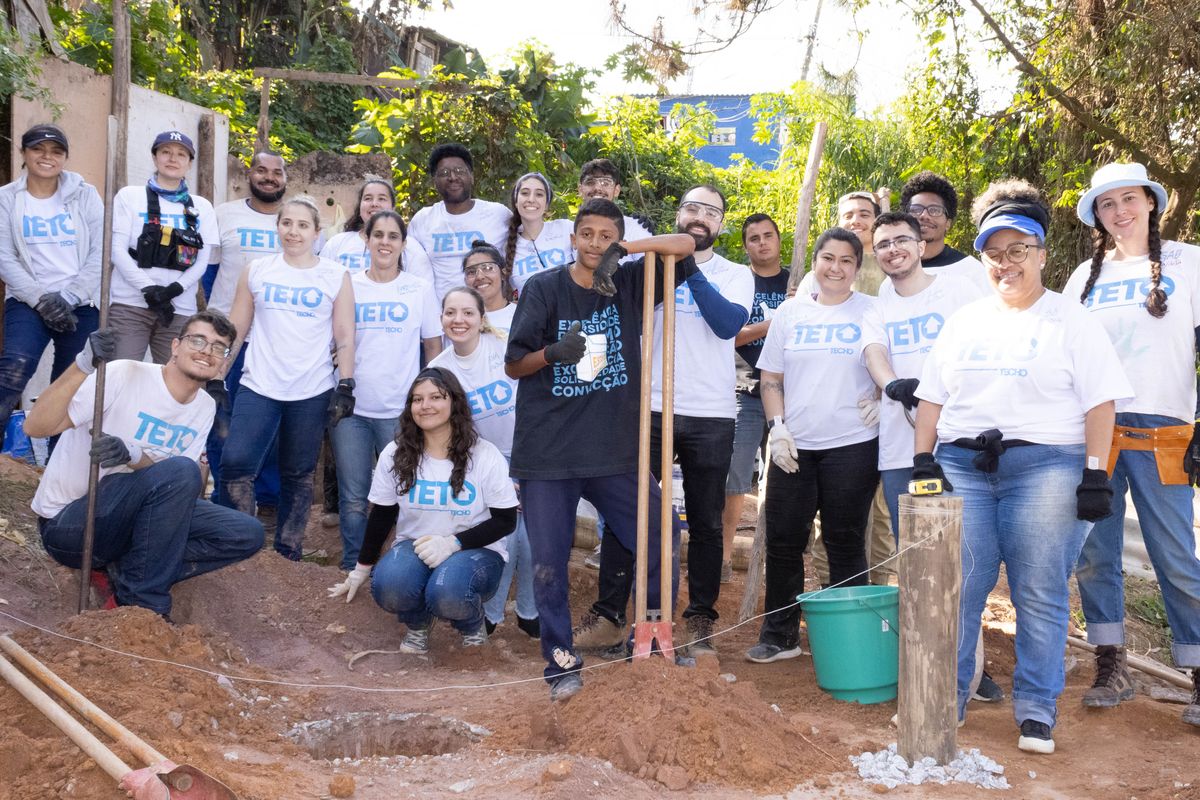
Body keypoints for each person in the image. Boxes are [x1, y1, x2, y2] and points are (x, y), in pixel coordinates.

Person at [912, 181, 1131, 754]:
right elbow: (932, 397)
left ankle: (1036, 711)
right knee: (958, 587)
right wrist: (920, 460)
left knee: (1038, 590)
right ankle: (944, 701)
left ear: (1040, 254)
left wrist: (1095, 474)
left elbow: (1100, 402)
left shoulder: (1071, 319)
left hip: (1047, 467)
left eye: (1018, 251)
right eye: (994, 253)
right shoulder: (965, 321)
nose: (1005, 263)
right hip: (963, 464)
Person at [505, 198, 697, 700]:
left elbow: (686, 245)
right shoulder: (544, 288)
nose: (595, 243)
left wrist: (627, 252)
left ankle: (655, 636)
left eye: (605, 235)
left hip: (615, 450)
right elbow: (514, 363)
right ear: (572, 238)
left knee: (660, 531)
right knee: (548, 560)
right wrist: (552, 353)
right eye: (586, 234)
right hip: (549, 452)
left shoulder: (630, 282)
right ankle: (561, 660)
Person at [578, 184, 753, 658]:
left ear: (721, 224)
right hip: (649, 406)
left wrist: (688, 264)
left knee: (706, 521)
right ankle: (612, 616)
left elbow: (727, 325)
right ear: (677, 214)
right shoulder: (646, 266)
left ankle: (698, 618)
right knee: (626, 509)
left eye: (710, 212)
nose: (699, 217)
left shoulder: (736, 274)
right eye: (691, 207)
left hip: (710, 412)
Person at [1065, 162, 1200, 726]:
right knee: (1095, 555)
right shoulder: (1081, 279)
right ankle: (1111, 661)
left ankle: (1196, 669)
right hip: (1096, 430)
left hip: (1165, 431)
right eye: (1106, 204)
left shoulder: (1189, 264)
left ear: (1150, 201)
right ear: (1097, 215)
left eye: (1128, 199)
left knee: (1176, 555)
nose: (1119, 211)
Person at [25, 313, 263, 617]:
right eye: (198, 340)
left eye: (219, 347)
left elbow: (176, 485)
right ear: (175, 346)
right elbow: (36, 426)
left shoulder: (204, 406)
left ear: (225, 361)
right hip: (72, 525)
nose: (207, 351)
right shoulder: (124, 374)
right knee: (181, 471)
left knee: (246, 533)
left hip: (131, 525)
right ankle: (141, 602)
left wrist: (132, 455)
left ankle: (132, 571)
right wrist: (83, 365)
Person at [860, 209, 998, 702]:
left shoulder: (958, 288)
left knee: (966, 557)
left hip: (960, 444)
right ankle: (927, 665)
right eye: (883, 244)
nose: (893, 249)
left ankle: (969, 668)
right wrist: (891, 384)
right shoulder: (879, 299)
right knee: (915, 554)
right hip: (901, 448)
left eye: (902, 240)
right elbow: (875, 350)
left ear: (921, 246)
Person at [745, 227, 880, 664]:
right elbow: (770, 379)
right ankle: (780, 634)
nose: (835, 268)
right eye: (828, 258)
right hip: (793, 447)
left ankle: (848, 638)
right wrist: (777, 427)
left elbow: (892, 363)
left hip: (853, 445)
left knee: (844, 539)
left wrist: (881, 396)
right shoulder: (791, 313)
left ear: (857, 269)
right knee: (784, 540)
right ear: (816, 262)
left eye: (846, 261)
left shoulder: (872, 312)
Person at [327, 368, 518, 651]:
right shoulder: (396, 452)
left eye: (435, 397)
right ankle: (418, 626)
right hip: (415, 545)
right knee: (389, 586)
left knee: (448, 592)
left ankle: (472, 626)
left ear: (454, 402)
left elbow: (505, 521)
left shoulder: (484, 454)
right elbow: (382, 515)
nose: (425, 406)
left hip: (476, 551)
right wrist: (361, 569)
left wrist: (454, 543)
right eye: (417, 400)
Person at [219, 197, 357, 560]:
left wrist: (346, 384)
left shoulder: (334, 275)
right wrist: (218, 375)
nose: (293, 232)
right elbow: (236, 328)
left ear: (316, 232)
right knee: (236, 463)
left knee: (298, 472)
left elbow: (344, 335)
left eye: (302, 225)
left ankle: (288, 550)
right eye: (287, 223)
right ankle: (238, 546)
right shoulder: (257, 270)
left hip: (311, 388)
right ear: (278, 227)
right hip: (258, 384)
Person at [330, 210, 441, 570]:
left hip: (400, 411)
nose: (385, 242)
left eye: (393, 236)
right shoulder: (347, 284)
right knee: (353, 496)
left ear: (403, 244)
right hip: (353, 409)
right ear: (366, 239)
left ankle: (397, 564)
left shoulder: (418, 288)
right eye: (378, 235)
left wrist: (430, 400)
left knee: (404, 494)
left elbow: (432, 347)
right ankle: (353, 564)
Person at [800, 191, 897, 586]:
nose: (856, 220)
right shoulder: (820, 273)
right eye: (848, 215)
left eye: (864, 214)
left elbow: (892, 345)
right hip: (832, 417)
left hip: (884, 408)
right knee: (834, 518)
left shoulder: (892, 270)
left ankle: (884, 597)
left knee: (882, 518)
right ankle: (832, 591)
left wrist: (880, 393)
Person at [430, 286, 537, 637]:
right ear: (442, 318)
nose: (458, 320)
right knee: (506, 536)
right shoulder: (439, 369)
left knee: (532, 536)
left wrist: (523, 464)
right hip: (482, 462)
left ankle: (529, 610)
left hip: (526, 450)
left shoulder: (505, 349)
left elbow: (537, 399)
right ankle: (492, 613)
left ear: (481, 318)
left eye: (467, 313)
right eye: (450, 313)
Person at [0, 124, 103, 450]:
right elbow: (4, 256)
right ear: (24, 153)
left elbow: (101, 250)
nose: (47, 157)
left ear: (65, 157)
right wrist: (42, 299)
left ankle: (57, 471)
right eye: (38, 149)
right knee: (12, 372)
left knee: (71, 384)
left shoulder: (85, 195)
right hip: (28, 302)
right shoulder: (6, 199)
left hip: (81, 303)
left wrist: (70, 296)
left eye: (56, 151)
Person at [204, 151, 288, 513]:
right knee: (223, 419)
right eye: (262, 170)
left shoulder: (294, 220)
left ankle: (267, 499)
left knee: (271, 422)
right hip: (230, 337)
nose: (269, 178)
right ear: (248, 174)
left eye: (277, 172)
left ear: (285, 178)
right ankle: (225, 500)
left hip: (274, 339)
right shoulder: (224, 214)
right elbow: (208, 275)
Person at [109, 131, 218, 363]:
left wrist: (172, 291)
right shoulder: (129, 197)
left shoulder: (202, 207)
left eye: (181, 154)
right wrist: (149, 289)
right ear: (155, 157)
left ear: (189, 163)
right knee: (122, 371)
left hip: (179, 308)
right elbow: (117, 250)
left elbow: (202, 261)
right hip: (130, 303)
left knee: (175, 376)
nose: (172, 159)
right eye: (165, 152)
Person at [721, 214, 790, 584]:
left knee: (785, 478)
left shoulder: (798, 281)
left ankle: (777, 557)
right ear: (745, 245)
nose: (762, 243)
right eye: (753, 238)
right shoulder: (737, 282)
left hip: (788, 393)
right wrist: (771, 325)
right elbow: (725, 336)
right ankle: (725, 557)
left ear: (779, 240)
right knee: (735, 477)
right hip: (745, 388)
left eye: (768, 236)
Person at [405, 143, 510, 299]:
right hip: (443, 316)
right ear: (435, 181)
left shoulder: (498, 214)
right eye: (444, 173)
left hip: (492, 313)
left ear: (472, 177)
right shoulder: (423, 220)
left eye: (460, 171)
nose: (453, 177)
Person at [899, 171, 989, 292]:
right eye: (916, 209)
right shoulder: (894, 269)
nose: (924, 215)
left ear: (948, 223)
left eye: (935, 210)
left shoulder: (971, 271)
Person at [505, 172, 574, 293]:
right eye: (525, 193)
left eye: (539, 194)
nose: (531, 199)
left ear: (547, 204)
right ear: (516, 201)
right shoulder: (505, 245)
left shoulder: (565, 228)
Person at [320, 178, 396, 271]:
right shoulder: (336, 243)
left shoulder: (408, 247)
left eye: (382, 199)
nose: (374, 204)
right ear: (359, 207)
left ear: (393, 208)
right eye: (368, 198)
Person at [576, 159, 654, 246]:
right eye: (590, 182)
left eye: (605, 183)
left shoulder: (635, 228)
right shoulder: (566, 230)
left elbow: (649, 258)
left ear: (616, 190)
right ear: (580, 189)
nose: (597, 188)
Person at [461, 241, 517, 333]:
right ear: (465, 280)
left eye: (487, 268)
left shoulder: (522, 314)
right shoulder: (462, 320)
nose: (479, 277)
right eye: (471, 272)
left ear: (503, 274)